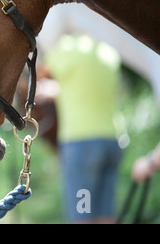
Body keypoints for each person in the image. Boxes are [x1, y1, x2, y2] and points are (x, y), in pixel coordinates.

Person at [43, 34, 123, 223]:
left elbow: (41, 70)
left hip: (82, 144)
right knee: (106, 213)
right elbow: (85, 88)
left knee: (82, 213)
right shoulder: (108, 50)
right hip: (113, 140)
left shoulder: (67, 49)